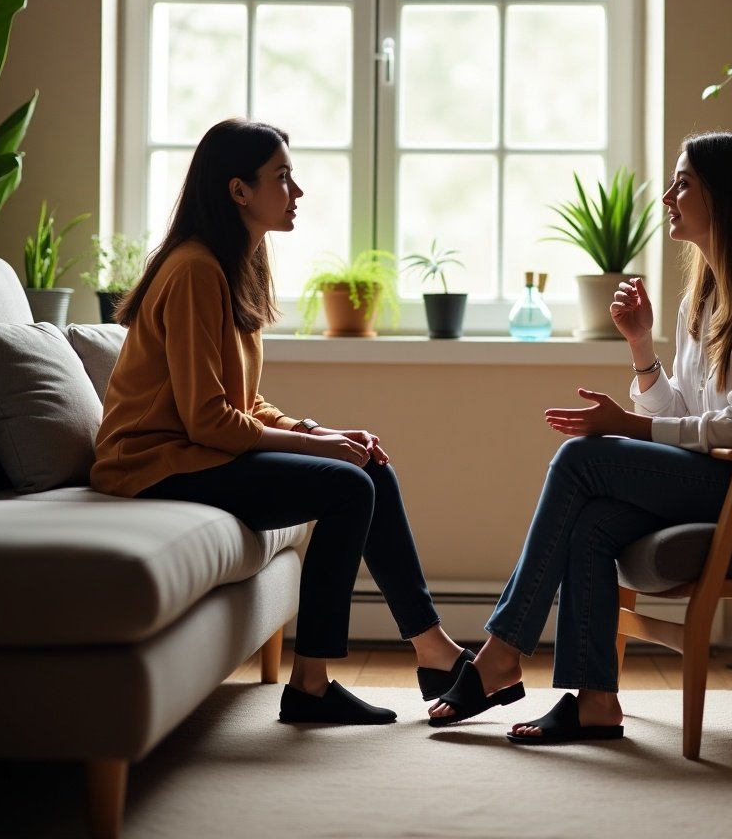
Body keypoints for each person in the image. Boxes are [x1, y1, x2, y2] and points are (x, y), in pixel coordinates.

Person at [428, 130, 732, 744]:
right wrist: (640, 347)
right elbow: (686, 411)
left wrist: (629, 426)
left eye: (684, 183)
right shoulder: (702, 297)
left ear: (726, 199)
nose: (669, 197)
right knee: (595, 518)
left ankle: (500, 652)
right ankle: (596, 700)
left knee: (580, 457)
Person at [92, 118, 473, 726]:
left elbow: (242, 401)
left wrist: (320, 433)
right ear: (239, 190)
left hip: (196, 452)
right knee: (348, 485)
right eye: (283, 178)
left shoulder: (238, 262)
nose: (296, 192)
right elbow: (206, 419)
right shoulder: (194, 271)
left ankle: (432, 649)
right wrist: (314, 444)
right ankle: (314, 685)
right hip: (153, 465)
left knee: (367, 462)